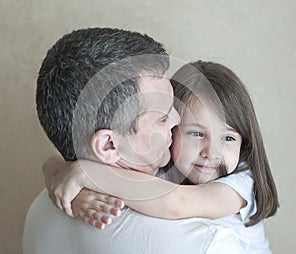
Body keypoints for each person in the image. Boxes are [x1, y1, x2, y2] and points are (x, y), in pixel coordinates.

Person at [23, 28, 243, 254]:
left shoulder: (41, 208)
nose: (177, 121)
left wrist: (68, 171)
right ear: (108, 145)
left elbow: (54, 161)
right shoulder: (207, 243)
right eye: (163, 117)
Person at [45, 60, 279, 253]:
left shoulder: (240, 184)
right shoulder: (165, 167)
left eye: (228, 138)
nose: (212, 152)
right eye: (197, 134)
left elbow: (177, 204)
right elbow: (53, 159)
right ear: (172, 132)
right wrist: (62, 177)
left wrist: (85, 174)